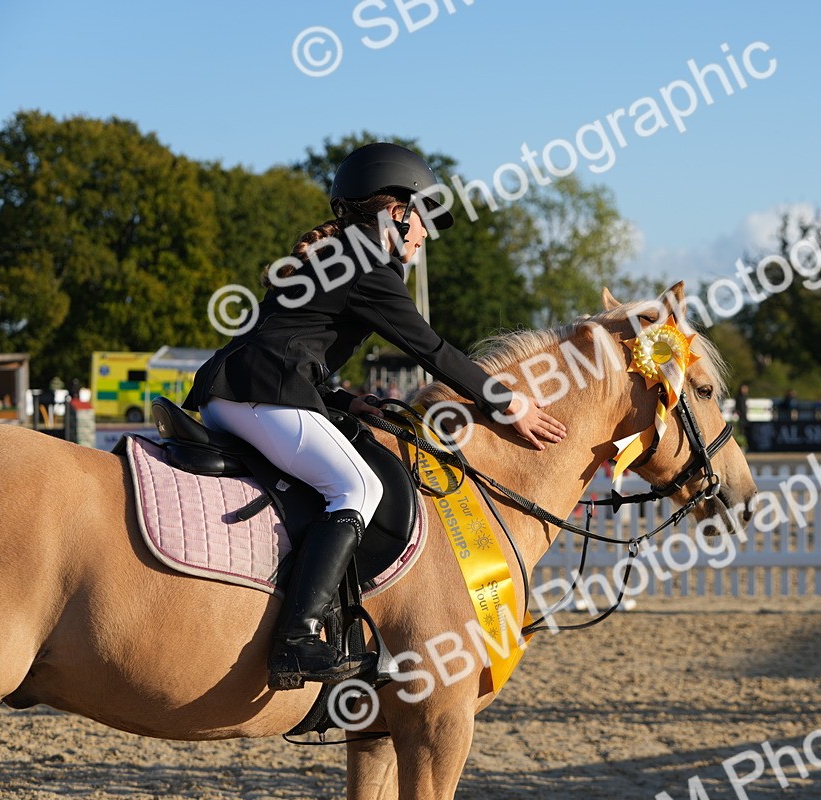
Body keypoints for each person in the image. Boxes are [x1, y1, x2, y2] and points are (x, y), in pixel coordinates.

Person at [182, 142, 566, 690]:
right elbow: (431, 349)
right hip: (260, 396)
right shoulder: (366, 261)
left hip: (239, 392)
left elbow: (294, 347)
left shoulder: (338, 253)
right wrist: (508, 401)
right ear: (396, 212)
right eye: (423, 220)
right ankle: (296, 641)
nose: (426, 235)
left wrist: (346, 402)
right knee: (358, 487)